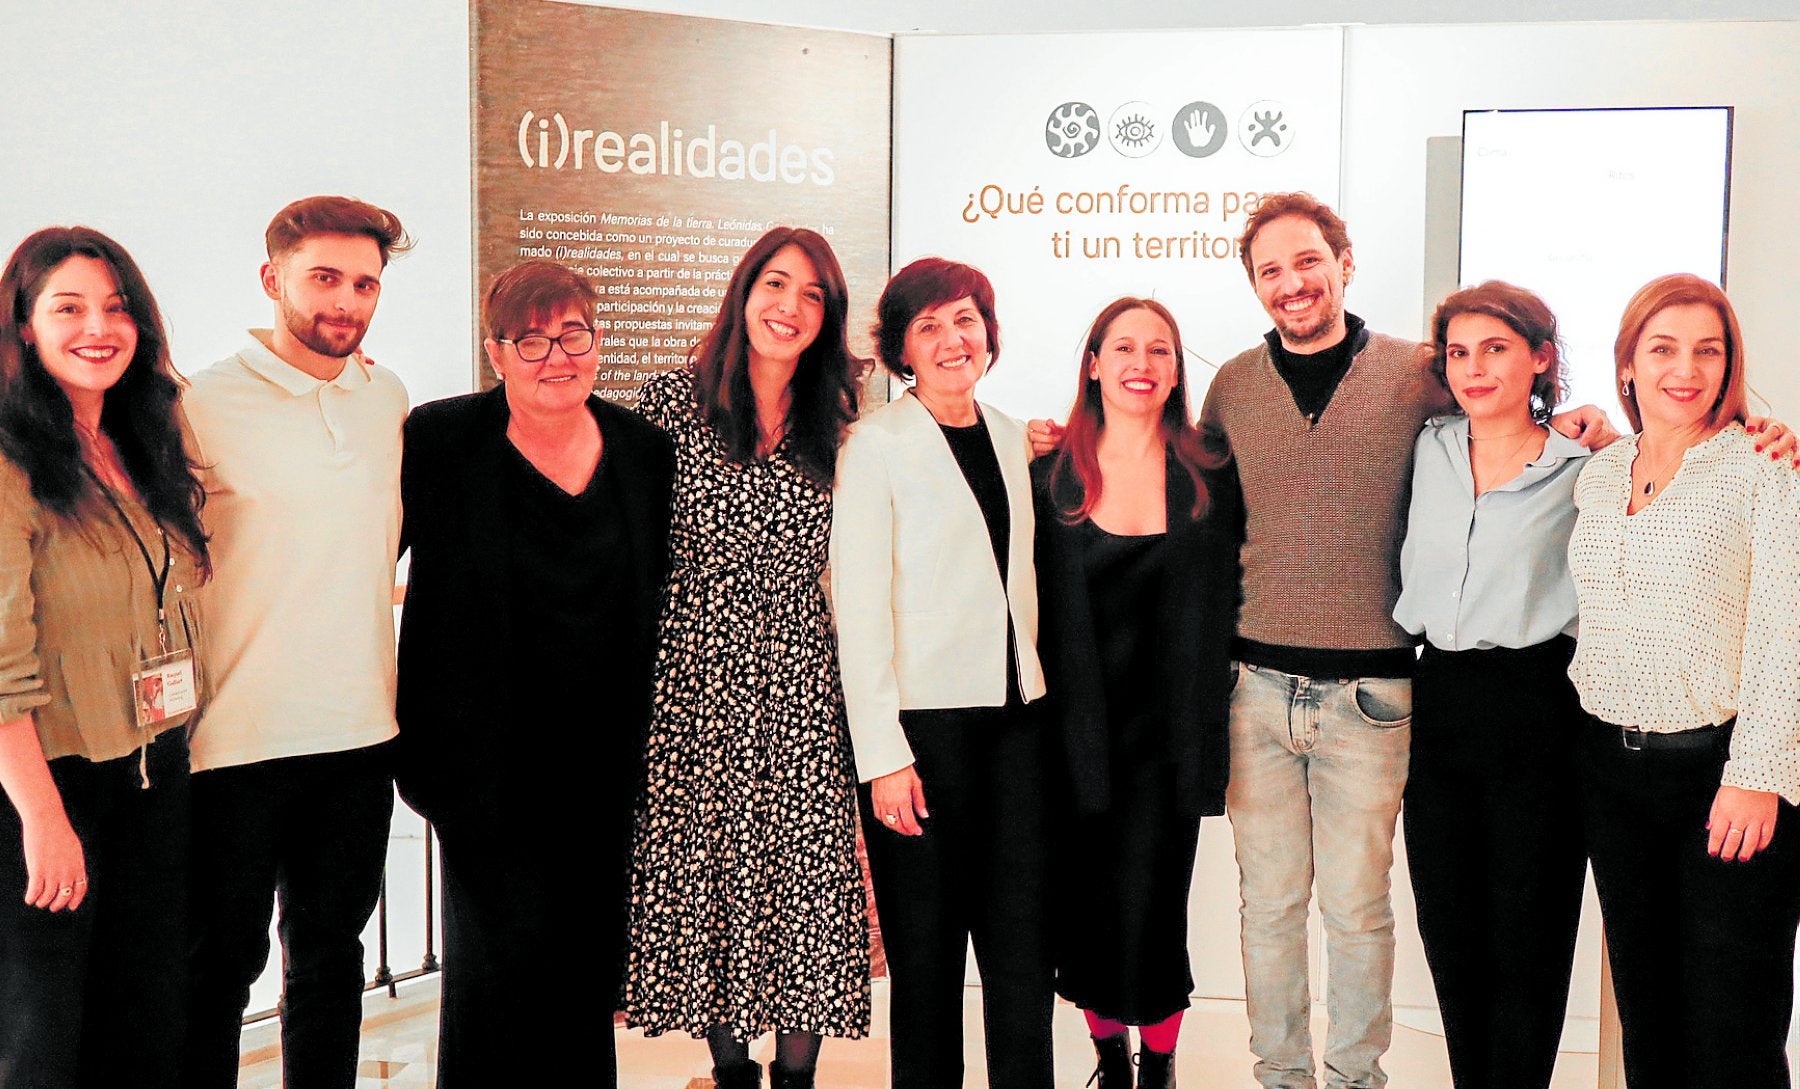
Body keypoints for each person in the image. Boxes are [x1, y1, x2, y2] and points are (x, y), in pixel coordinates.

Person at [1027, 193, 1617, 1089]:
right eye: (1270, 271)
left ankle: (1353, 1079)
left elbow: (1499, 416)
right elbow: (1166, 468)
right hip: (1253, 688)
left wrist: (1582, 421)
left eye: (1308, 262)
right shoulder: (1230, 387)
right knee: (1267, 908)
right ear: (1257, 287)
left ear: (1343, 261)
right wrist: (1052, 433)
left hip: (1374, 696)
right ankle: (1281, 1077)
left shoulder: (1416, 374)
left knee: (1356, 909)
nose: (1292, 284)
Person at [395, 259, 675, 1087]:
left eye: (574, 334)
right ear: (496, 352)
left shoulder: (642, 450)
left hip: (603, 768)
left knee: (584, 983)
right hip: (483, 769)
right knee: (493, 982)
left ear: (599, 339)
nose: (557, 356)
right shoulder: (440, 440)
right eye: (531, 340)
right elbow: (352, 542)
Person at [623, 227, 868, 1089]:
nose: (789, 307)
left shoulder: (844, 420)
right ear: (743, 291)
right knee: (709, 871)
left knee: (803, 872)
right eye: (775, 284)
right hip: (689, 675)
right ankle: (730, 1071)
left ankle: (796, 1077)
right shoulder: (666, 401)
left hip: (800, 671)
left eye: (812, 296)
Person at [180, 196, 411, 1089]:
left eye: (364, 283)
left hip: (359, 738)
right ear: (272, 278)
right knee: (217, 972)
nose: (346, 302)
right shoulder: (200, 403)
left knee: (330, 961)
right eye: (325, 278)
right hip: (233, 742)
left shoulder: (384, 395)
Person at [1566, 274, 1800, 1089]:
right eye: (1662, 348)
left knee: (1734, 1025)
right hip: (1612, 774)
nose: (1686, 369)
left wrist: (1756, 777)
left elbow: (1785, 632)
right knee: (1650, 1017)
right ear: (1627, 364)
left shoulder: (1761, 468)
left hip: (1724, 777)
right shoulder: (1600, 474)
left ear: (1730, 362)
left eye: (1709, 349)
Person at [831, 257, 1051, 1089]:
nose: (952, 339)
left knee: (1021, 956)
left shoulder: (1005, 433)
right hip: (922, 739)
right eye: (928, 327)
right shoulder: (875, 446)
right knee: (925, 963)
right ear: (901, 352)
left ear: (988, 333)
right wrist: (881, 754)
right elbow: (860, 608)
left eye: (965, 319)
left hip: (1017, 726)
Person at [0, 226, 210, 1087]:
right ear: (23, 327)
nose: (99, 327)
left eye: (117, 308)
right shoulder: (11, 461)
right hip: (50, 787)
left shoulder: (143, 443)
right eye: (69, 307)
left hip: (154, 772)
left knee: (145, 1022)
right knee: (46, 1044)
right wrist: (44, 824)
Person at [1032, 298, 1239, 1089]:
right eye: (1123, 347)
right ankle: (1108, 1057)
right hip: (1073, 734)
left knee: (1154, 912)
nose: (1141, 362)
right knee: (1084, 911)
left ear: (1177, 369)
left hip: (1171, 737)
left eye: (1160, 349)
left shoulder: (1212, 470)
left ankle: (1159, 1061)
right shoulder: (1048, 474)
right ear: (1093, 363)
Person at [1392, 282, 1591, 1089]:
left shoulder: (1587, 469)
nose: (1475, 368)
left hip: (1540, 709)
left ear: (1541, 358)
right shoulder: (1427, 445)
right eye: (1460, 352)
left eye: (1498, 348)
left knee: (1529, 939)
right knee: (1453, 934)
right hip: (1436, 704)